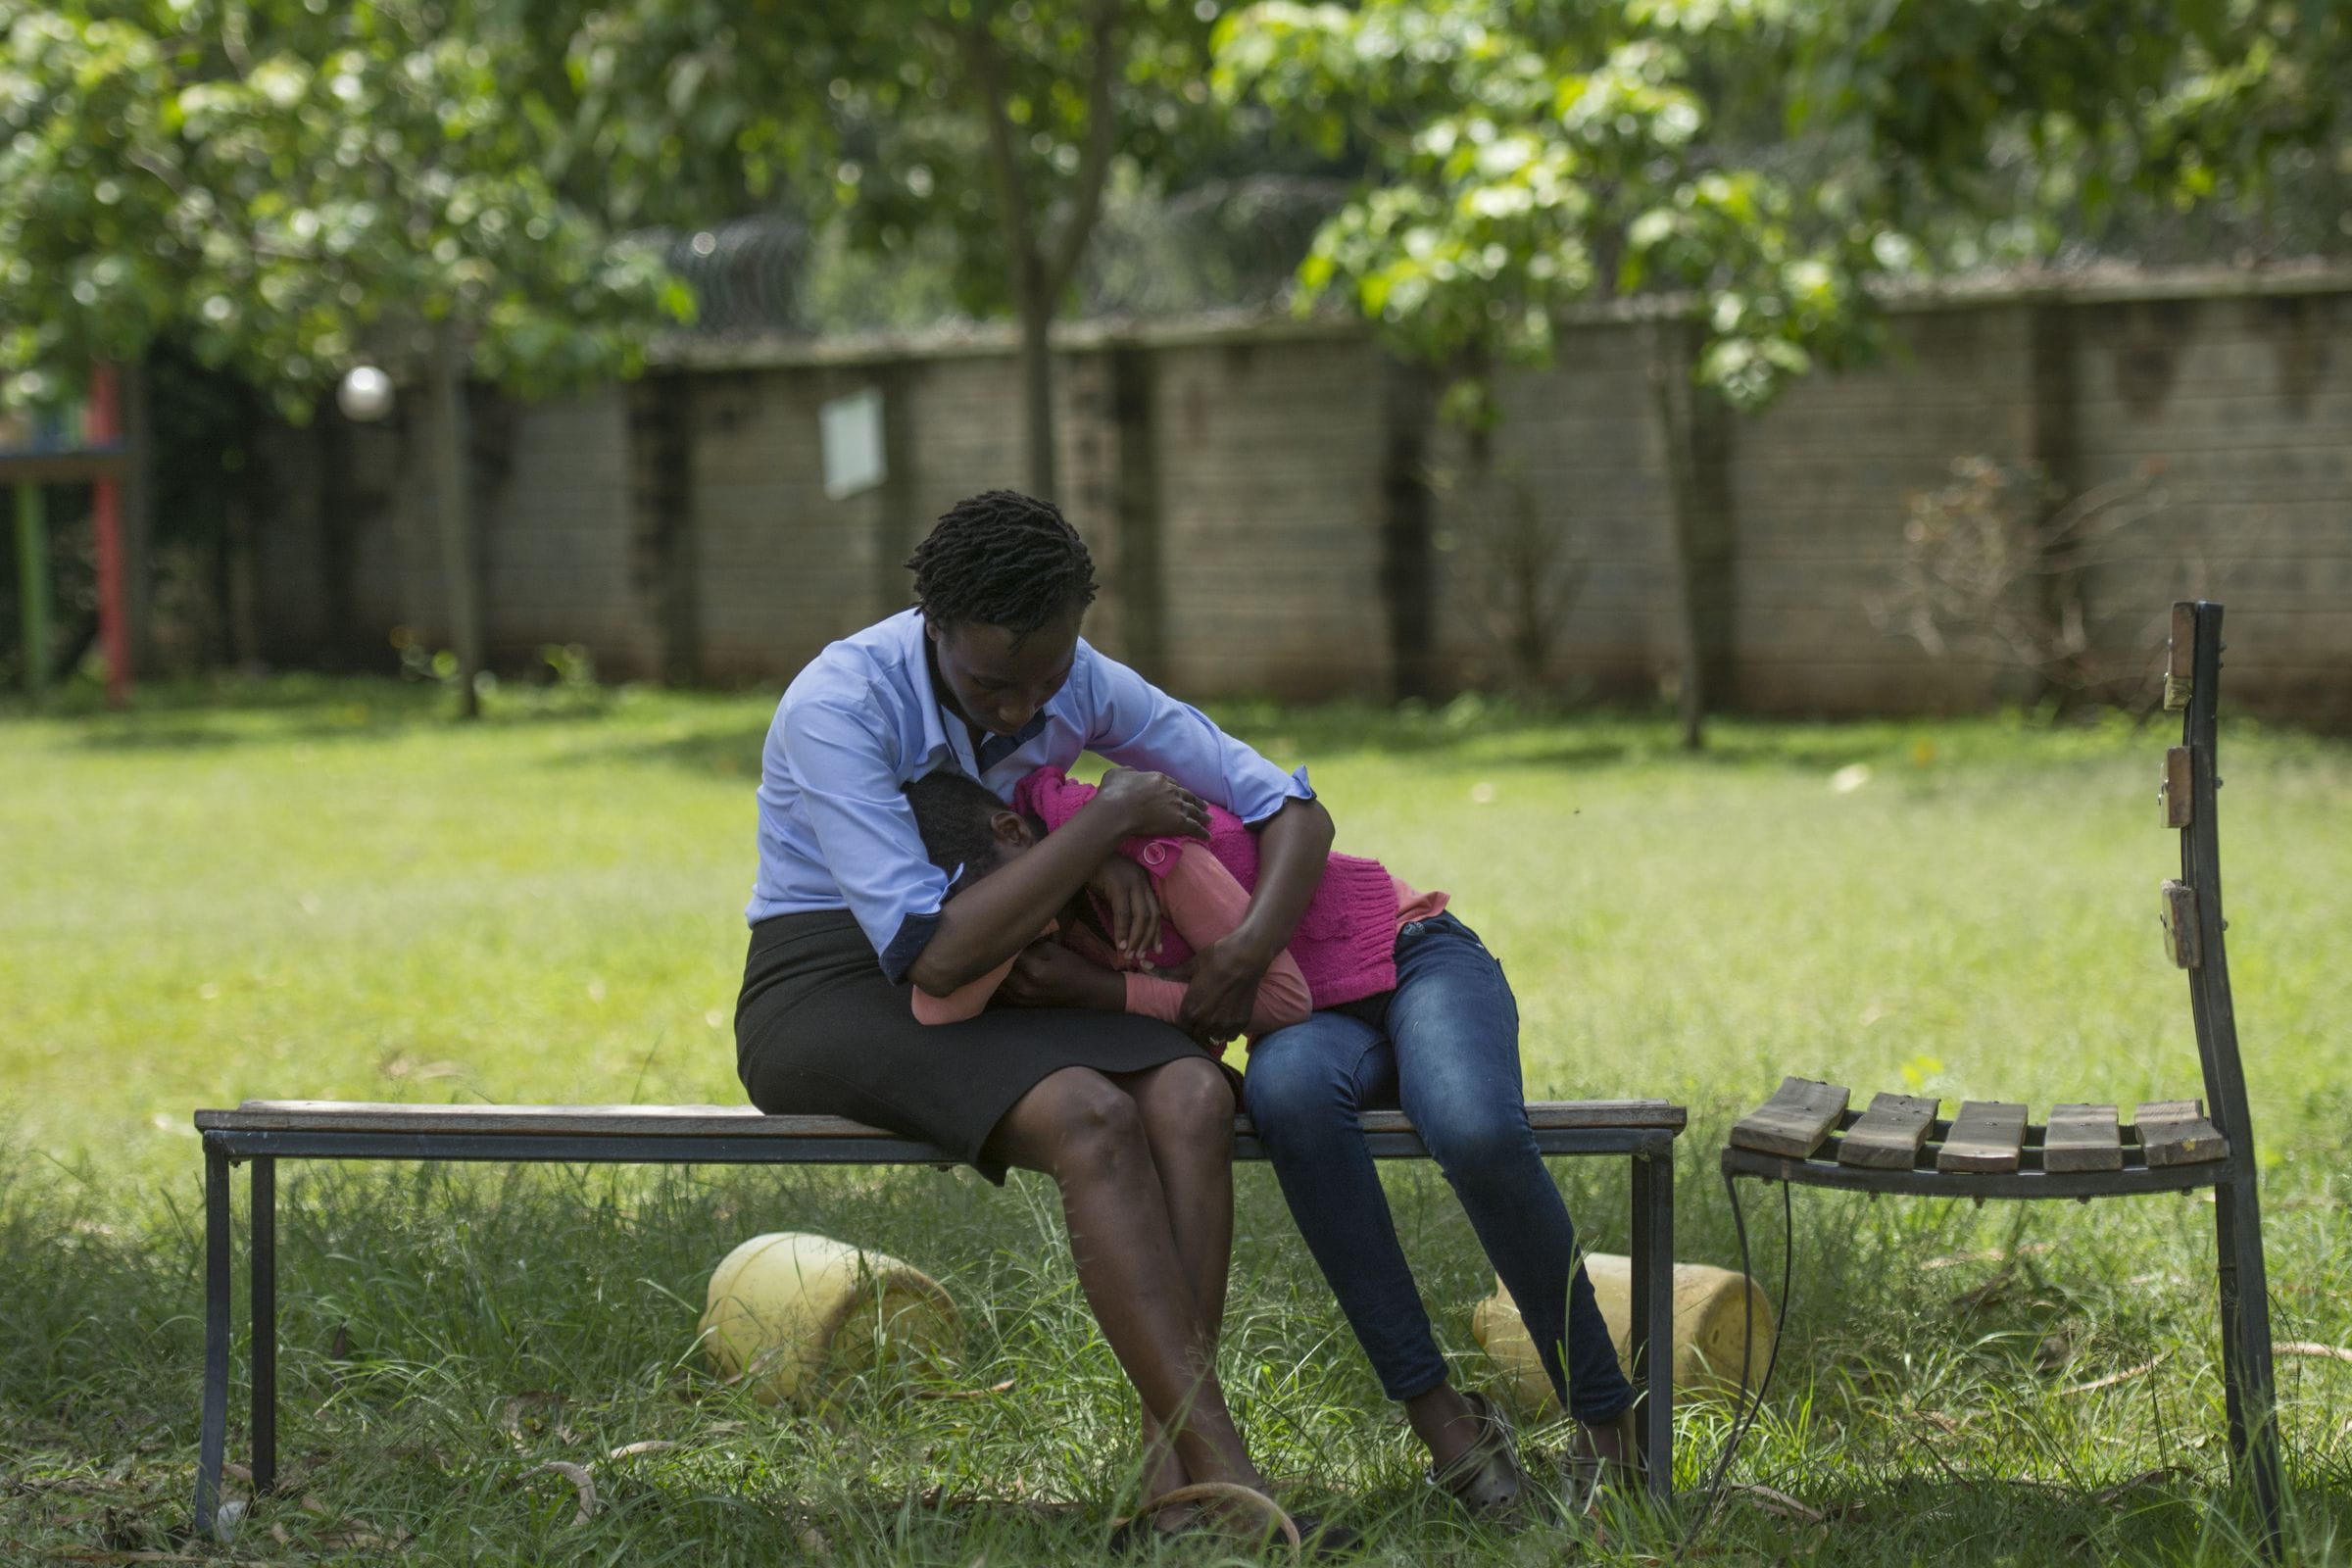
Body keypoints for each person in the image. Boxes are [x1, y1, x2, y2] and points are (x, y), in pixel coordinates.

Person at [733, 490, 1347, 1547]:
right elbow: (932, 951)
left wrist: (1243, 956)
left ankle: (1179, 1493)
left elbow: (1287, 805)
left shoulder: (1077, 675)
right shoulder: (840, 701)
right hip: (831, 981)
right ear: (932, 629)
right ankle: (1237, 1487)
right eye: (989, 684)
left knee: (1196, 1091)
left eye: (1048, 680)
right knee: (1088, 1116)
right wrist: (1106, 820)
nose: (1022, 711)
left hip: (1014, 964)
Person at [897, 760, 1640, 1517]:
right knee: (1288, 1099)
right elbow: (940, 1003)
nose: (1004, 918)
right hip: (1314, 1025)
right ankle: (1443, 1418)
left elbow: (1273, 993)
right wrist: (994, 926)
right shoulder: (1028, 915)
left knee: (1472, 1127)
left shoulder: (1151, 851)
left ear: (1018, 834)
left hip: (1412, 960)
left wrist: (1104, 990)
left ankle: (1606, 1414)